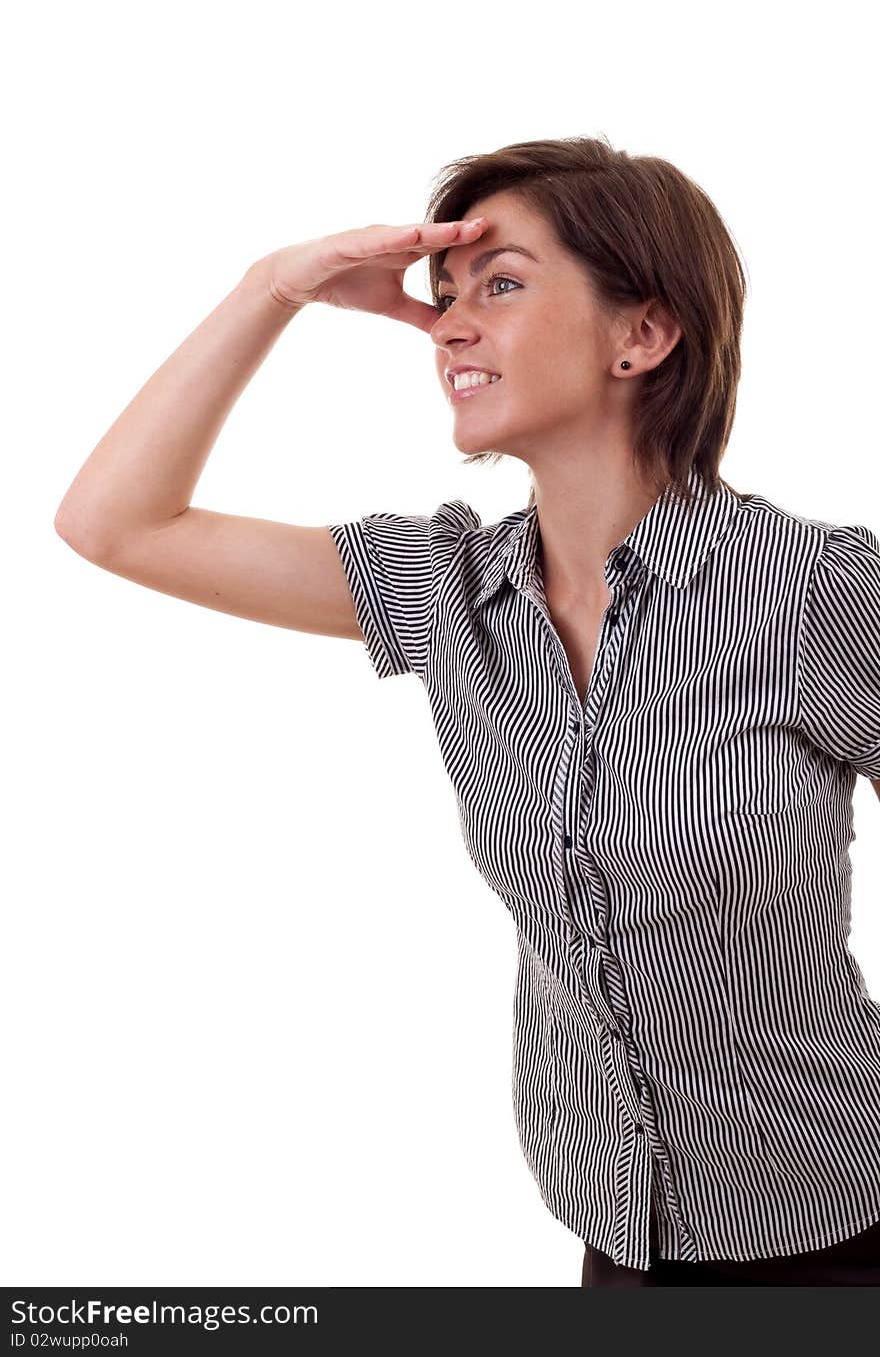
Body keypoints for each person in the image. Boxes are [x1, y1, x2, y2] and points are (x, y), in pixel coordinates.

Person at [54, 135, 880, 1285]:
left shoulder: (816, 595)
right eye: (445, 294)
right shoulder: (448, 594)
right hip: (614, 1237)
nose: (446, 326)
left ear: (641, 335)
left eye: (499, 285)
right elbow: (115, 524)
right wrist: (271, 288)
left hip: (838, 1227)